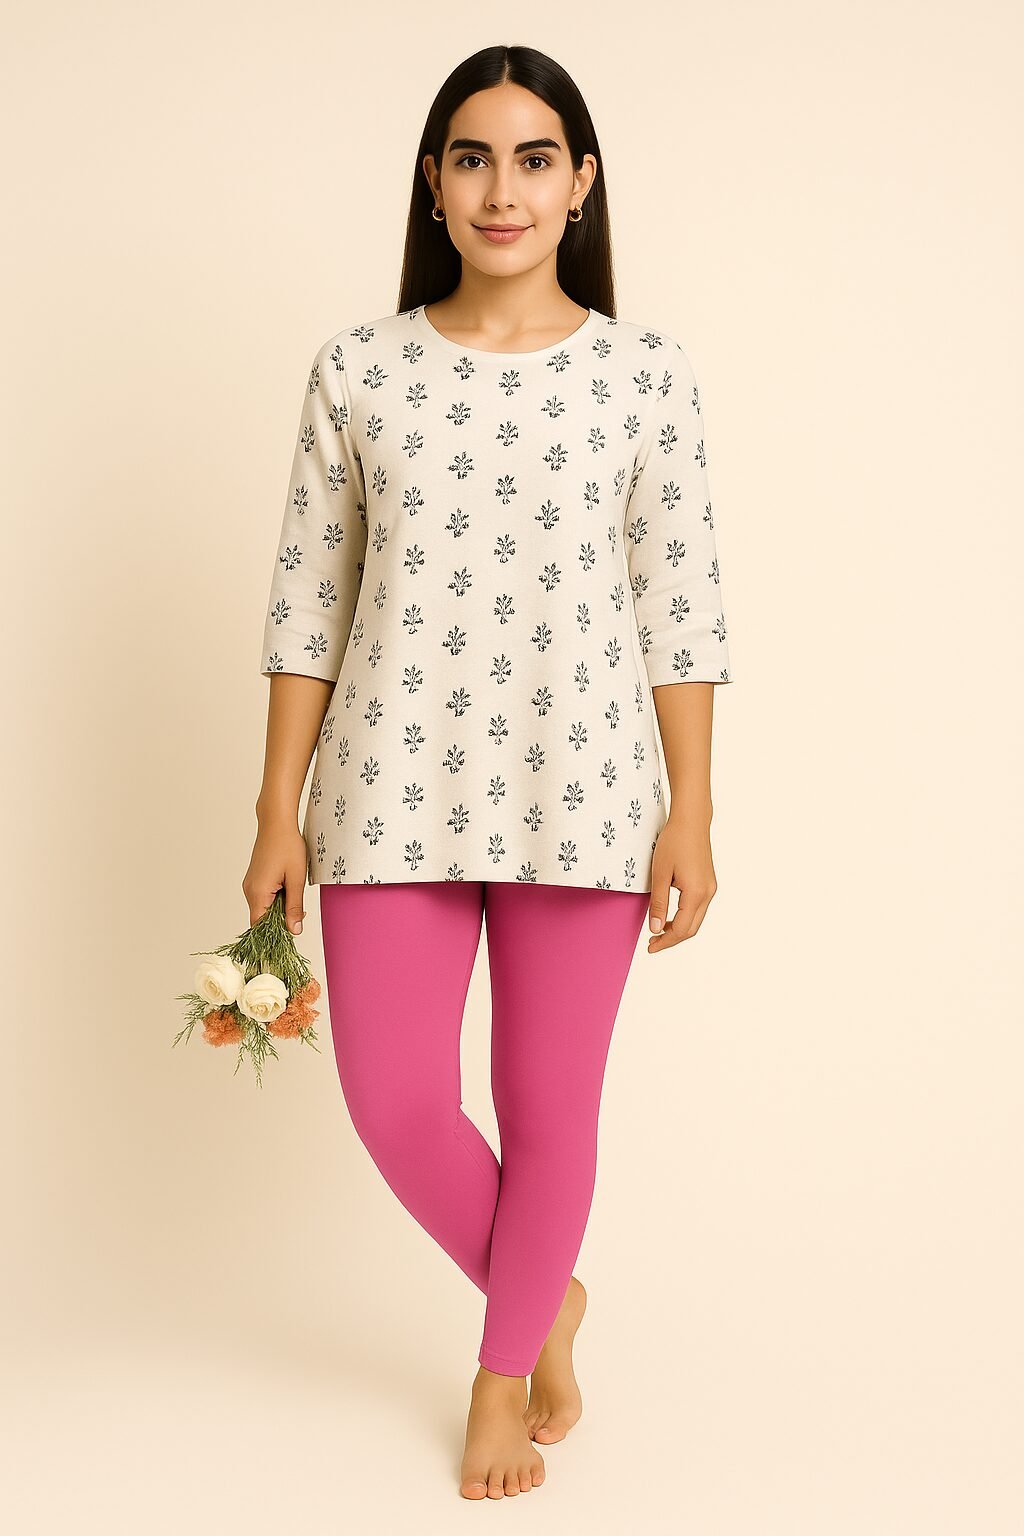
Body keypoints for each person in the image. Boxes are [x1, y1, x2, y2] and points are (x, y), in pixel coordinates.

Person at [244, 43, 734, 1500]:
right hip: (386, 784)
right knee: (393, 1097)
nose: (502, 188)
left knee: (547, 1104)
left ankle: (503, 1368)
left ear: (581, 185)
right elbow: (307, 602)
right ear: (434, 183)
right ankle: (550, 1293)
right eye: (473, 157)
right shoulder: (358, 370)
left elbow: (681, 607)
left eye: (533, 158)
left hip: (585, 788)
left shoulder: (643, 374)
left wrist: (693, 812)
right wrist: (275, 807)